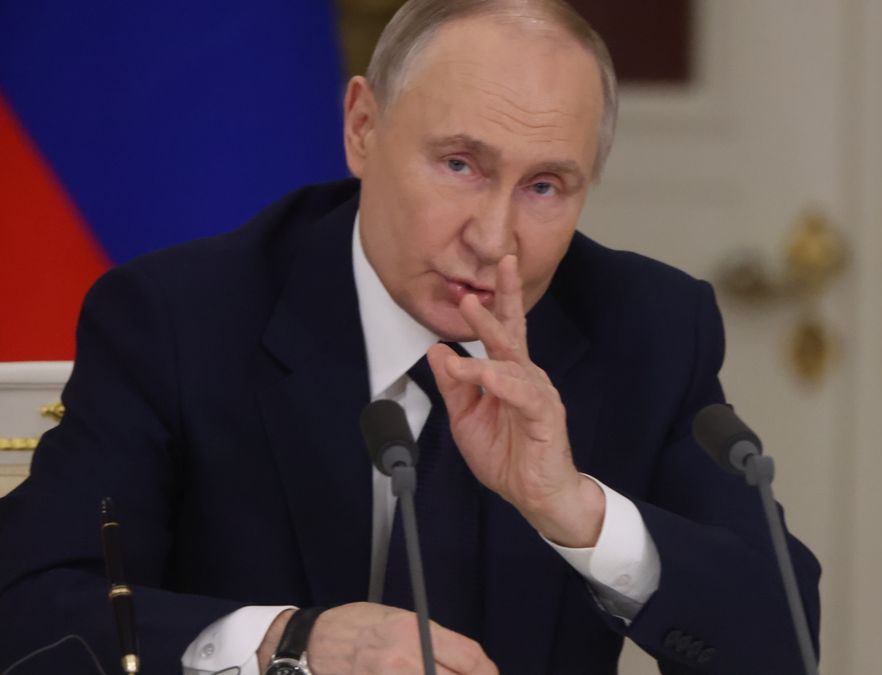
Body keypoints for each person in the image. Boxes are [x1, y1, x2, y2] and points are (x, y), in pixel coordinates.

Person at [0, 1, 821, 673]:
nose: (495, 235)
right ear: (362, 126)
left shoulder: (644, 327)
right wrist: (294, 641)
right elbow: (30, 612)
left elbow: (782, 640)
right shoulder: (179, 318)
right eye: (460, 164)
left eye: (544, 186)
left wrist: (577, 509)